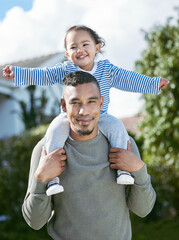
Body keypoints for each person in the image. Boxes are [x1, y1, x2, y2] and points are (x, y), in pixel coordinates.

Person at [3, 25, 169, 195]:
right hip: (69, 117)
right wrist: (17, 73)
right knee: (53, 131)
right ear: (67, 54)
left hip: (101, 116)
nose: (79, 50)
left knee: (118, 127)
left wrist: (153, 83)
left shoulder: (107, 70)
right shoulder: (66, 69)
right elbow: (43, 75)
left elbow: (129, 79)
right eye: (73, 47)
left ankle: (123, 171)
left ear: (97, 48)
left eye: (85, 44)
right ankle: (52, 180)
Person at [22, 71, 156, 240]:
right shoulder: (45, 150)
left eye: (91, 102)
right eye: (75, 102)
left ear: (101, 103)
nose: (83, 111)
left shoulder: (123, 145)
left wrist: (139, 170)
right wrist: (40, 179)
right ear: (64, 105)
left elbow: (143, 210)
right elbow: (35, 222)